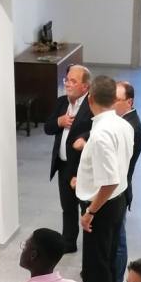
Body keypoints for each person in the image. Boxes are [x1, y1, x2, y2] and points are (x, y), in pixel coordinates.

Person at [75, 75, 134, 282]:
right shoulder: (124, 124)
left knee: (95, 269)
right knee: (107, 263)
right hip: (117, 201)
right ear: (113, 99)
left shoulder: (100, 133)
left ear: (89, 99)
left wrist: (91, 212)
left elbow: (109, 180)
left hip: (103, 205)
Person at [44, 65, 92, 252]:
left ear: (85, 87)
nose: (68, 84)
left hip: (82, 168)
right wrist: (59, 122)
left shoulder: (91, 105)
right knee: (67, 207)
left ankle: (89, 250)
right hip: (63, 165)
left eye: (74, 81)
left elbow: (98, 130)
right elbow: (48, 127)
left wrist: (84, 138)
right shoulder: (62, 102)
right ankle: (69, 242)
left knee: (85, 209)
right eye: (67, 80)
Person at [113, 81, 141, 282]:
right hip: (118, 188)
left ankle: (116, 281)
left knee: (118, 238)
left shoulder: (132, 127)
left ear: (129, 101)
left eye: (116, 100)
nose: (111, 104)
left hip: (120, 190)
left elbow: (120, 164)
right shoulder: (123, 122)